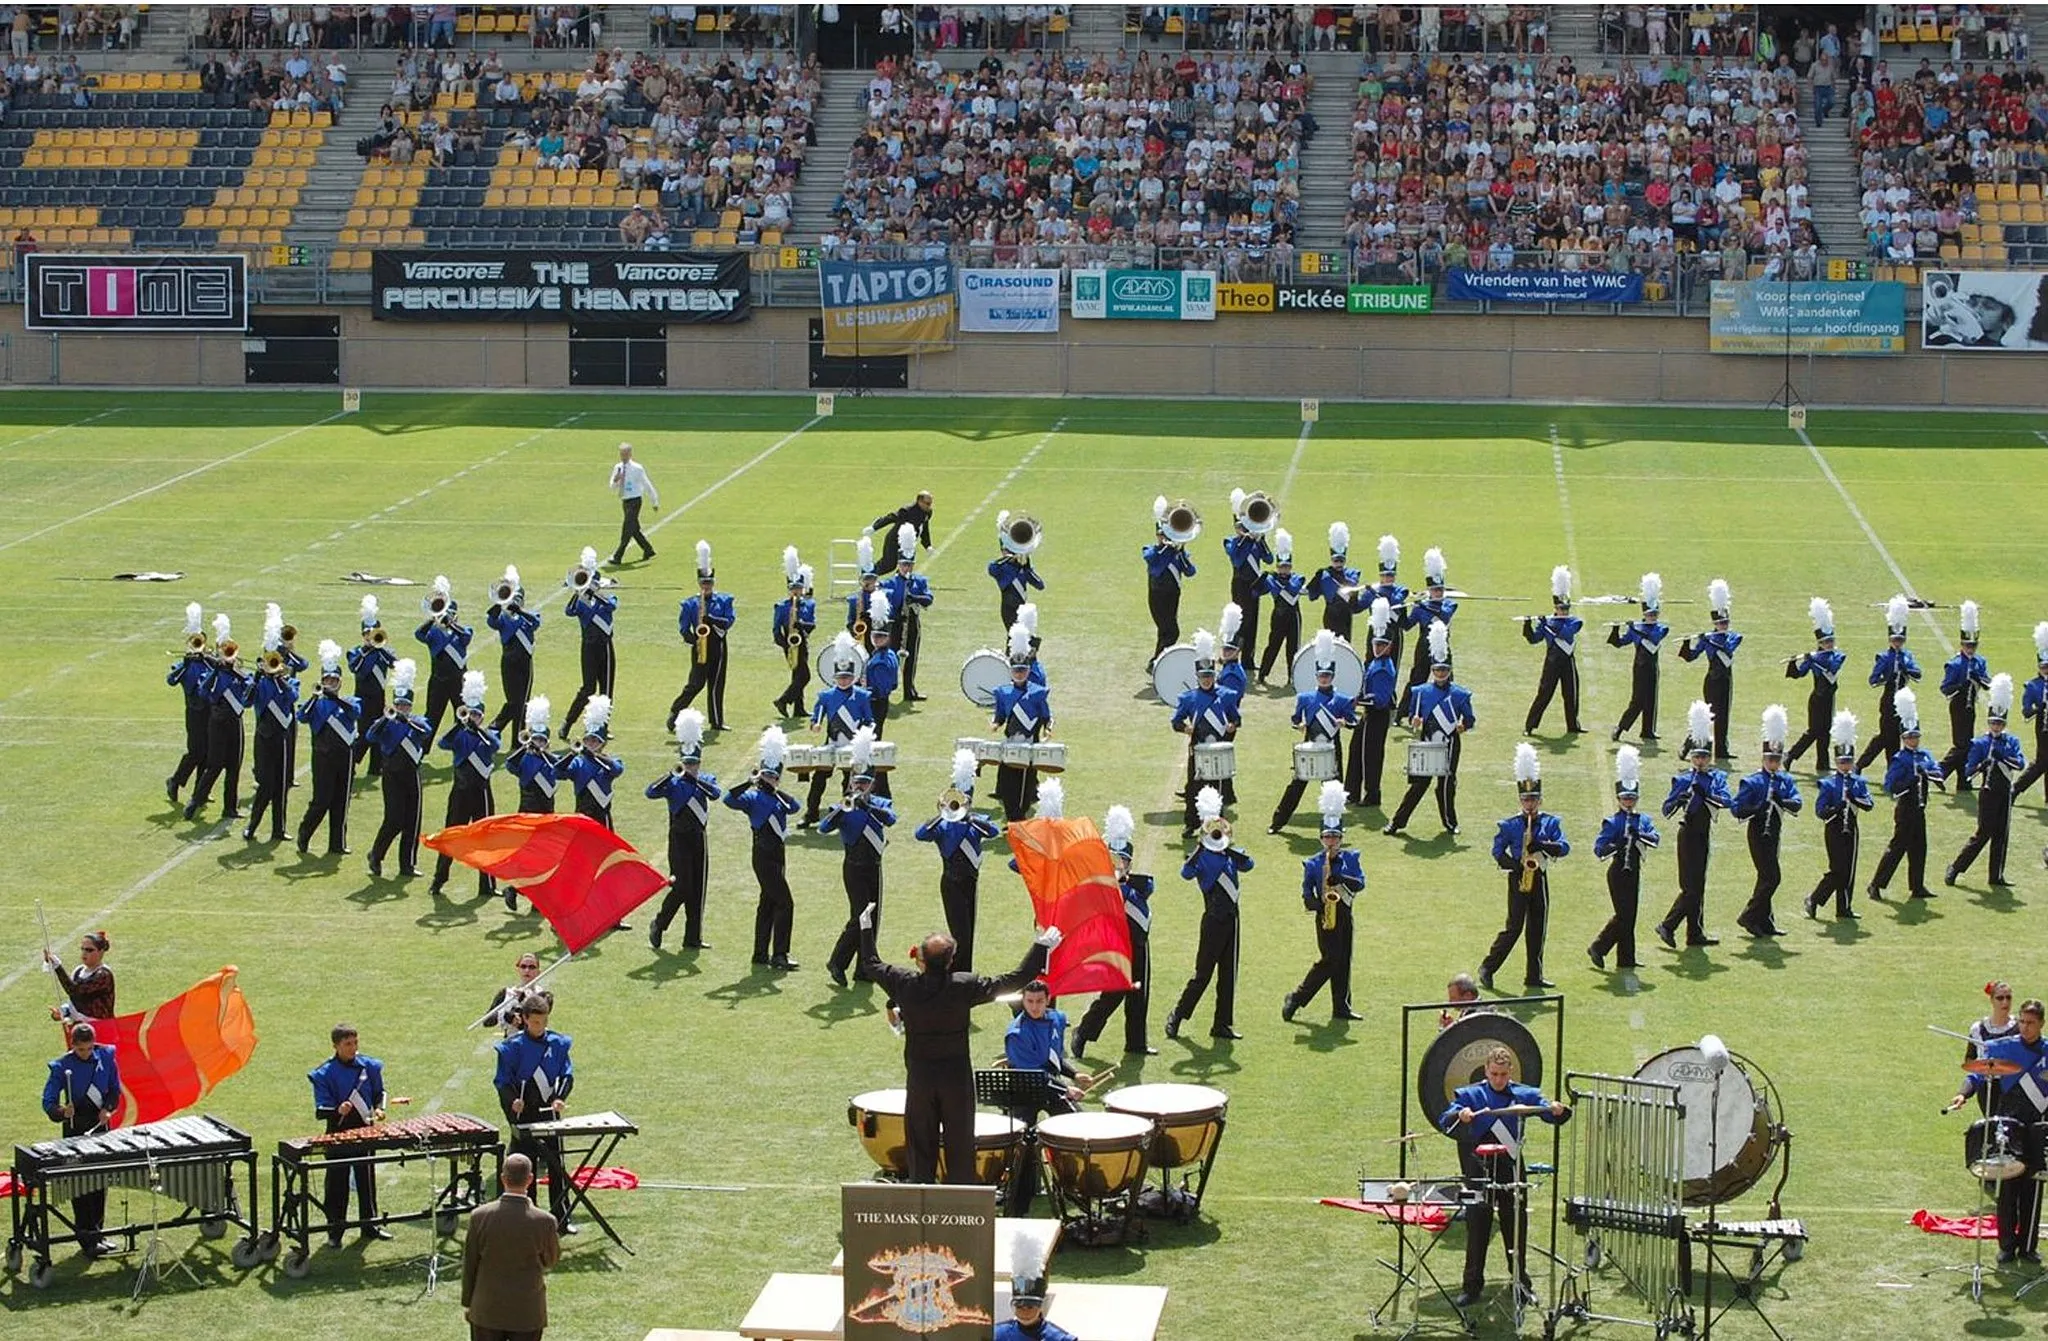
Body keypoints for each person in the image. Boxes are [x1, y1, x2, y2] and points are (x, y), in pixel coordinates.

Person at [857, 905, 1056, 1186]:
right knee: (960, 1146)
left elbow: (870, 963)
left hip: (921, 1078)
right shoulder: (964, 985)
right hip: (956, 1079)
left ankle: (920, 1195)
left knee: (920, 1145)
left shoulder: (904, 983)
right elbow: (1014, 980)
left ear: (921, 959)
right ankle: (960, 1200)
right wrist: (1040, 947)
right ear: (951, 962)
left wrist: (865, 928)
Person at [1439, 1045, 1570, 1308]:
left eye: (1503, 1074)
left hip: (1511, 1166)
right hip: (1478, 1167)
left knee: (1515, 1228)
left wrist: (1556, 1109)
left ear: (1510, 1072)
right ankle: (1472, 1287)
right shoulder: (1471, 1094)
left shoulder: (1523, 1094)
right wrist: (1461, 1113)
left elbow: (1551, 1112)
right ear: (1486, 1070)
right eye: (1494, 1073)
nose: (1499, 1079)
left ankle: (1522, 1286)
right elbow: (1445, 1119)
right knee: (1478, 1228)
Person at [1947, 998, 2048, 1266]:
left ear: (2041, 1024)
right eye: (2022, 1022)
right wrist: (1962, 1095)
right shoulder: (2003, 1048)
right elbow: (1976, 1075)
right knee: (2007, 1189)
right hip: (2008, 1124)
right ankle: (2006, 1246)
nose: (2025, 1028)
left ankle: (2028, 1247)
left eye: (2031, 1023)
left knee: (2033, 1189)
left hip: (2037, 1128)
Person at [1165, 786, 1254, 1041]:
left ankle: (1222, 1024)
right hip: (1213, 921)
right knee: (1203, 975)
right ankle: (1177, 1015)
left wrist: (1232, 848)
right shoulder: (1203, 858)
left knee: (1228, 975)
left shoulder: (1228, 855)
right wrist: (1199, 849)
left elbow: (1249, 865)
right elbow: (1185, 874)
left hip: (1233, 920)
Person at [1074, 805, 1157, 1059]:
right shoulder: (1105, 888)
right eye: (1113, 860)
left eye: (1122, 860)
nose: (1117, 864)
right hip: (1118, 948)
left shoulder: (1136, 884)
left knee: (1139, 995)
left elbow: (1147, 888)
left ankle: (1136, 1043)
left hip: (1140, 945)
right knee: (1113, 995)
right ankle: (1083, 1031)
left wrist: (1125, 878)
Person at [1482, 744, 1568, 990]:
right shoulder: (1510, 825)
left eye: (1533, 799)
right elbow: (1497, 851)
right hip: (1519, 879)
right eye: (1525, 799)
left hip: (1539, 877)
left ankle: (1534, 975)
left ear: (1540, 800)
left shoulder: (1550, 822)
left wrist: (1542, 845)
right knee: (1514, 928)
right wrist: (1515, 866)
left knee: (1537, 929)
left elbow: (1564, 847)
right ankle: (1488, 967)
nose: (1529, 804)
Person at [1283, 783, 1366, 1023]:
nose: (1331, 841)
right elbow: (1306, 894)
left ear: (1341, 838)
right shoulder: (1312, 864)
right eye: (1327, 837)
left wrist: (1341, 878)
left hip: (1345, 913)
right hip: (1325, 916)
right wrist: (1316, 904)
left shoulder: (1351, 858)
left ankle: (1341, 1006)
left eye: (1335, 837)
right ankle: (1296, 997)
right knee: (1330, 960)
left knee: (1344, 959)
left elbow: (1360, 884)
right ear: (1321, 838)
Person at [493, 993, 574, 1231]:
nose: (541, 1027)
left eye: (544, 1021)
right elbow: (502, 1081)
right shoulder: (512, 1048)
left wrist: (560, 1097)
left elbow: (567, 1073)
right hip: (524, 1114)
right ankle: (527, 1217)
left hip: (549, 1115)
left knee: (556, 1166)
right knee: (524, 1166)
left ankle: (561, 1217)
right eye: (536, 1022)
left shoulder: (557, 1043)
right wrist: (513, 1102)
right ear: (525, 1019)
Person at [1656, 703, 1734, 949]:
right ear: (1691, 757)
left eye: (1704, 756)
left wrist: (1706, 795)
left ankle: (1694, 932)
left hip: (1703, 833)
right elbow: (1666, 809)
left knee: (1698, 885)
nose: (1700, 760)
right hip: (1687, 833)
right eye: (1697, 756)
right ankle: (1668, 925)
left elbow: (1727, 801)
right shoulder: (1682, 779)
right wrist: (1680, 799)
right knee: (1690, 887)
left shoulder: (1716, 778)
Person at [914, 752, 1001, 974]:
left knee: (969, 931)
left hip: (970, 882)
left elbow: (994, 832)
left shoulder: (975, 823)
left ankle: (965, 972)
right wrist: (940, 813)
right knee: (959, 933)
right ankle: (957, 973)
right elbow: (920, 834)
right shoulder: (942, 826)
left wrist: (971, 815)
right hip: (951, 882)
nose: (958, 805)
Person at [1002, 979, 1083, 1214]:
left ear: (1048, 1000)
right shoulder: (1016, 1033)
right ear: (1023, 1001)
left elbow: (1052, 1058)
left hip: (1050, 1084)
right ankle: (1019, 1201)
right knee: (1023, 1143)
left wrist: (1075, 1074)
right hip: (1025, 1088)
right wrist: (1065, 1089)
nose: (1035, 1007)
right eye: (1030, 1001)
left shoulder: (1057, 1019)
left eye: (1039, 1001)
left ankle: (1071, 1184)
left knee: (1077, 1127)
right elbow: (1034, 1073)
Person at [308, 1023, 393, 1247]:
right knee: (337, 1182)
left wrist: (379, 1108)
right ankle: (335, 1231)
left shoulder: (369, 1067)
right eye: (348, 1044)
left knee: (366, 1178)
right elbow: (320, 1110)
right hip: (338, 1132)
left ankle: (370, 1225)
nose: (353, 1048)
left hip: (365, 1129)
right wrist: (338, 1109)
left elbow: (379, 1092)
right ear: (336, 1046)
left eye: (355, 1043)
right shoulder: (324, 1073)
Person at [822, 732, 896, 988]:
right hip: (853, 866)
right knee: (859, 917)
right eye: (858, 783)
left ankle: (865, 967)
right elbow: (823, 828)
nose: (861, 787)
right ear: (852, 782)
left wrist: (868, 806)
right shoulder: (844, 806)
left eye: (865, 784)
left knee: (873, 918)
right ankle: (837, 961)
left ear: (872, 784)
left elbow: (890, 819)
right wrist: (841, 809)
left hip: (874, 866)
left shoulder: (879, 803)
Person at [1385, 623, 1473, 837]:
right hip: (1427, 741)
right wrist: (1415, 722)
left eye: (1444, 670)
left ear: (1450, 670)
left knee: (1446, 783)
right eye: (1437, 670)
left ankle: (1450, 823)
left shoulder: (1460, 694)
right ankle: (1397, 822)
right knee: (1419, 784)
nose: (1441, 673)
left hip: (1450, 742)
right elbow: (1417, 717)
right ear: (1432, 670)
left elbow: (1469, 718)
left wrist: (1463, 726)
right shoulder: (1421, 691)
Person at [461, 1152, 561, 1341]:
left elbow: (470, 1264)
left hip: (486, 1309)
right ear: (530, 1179)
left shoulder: (479, 1216)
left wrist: (469, 1302)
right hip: (527, 1311)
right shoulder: (545, 1221)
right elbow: (550, 1260)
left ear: (502, 1178)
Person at [42, 1022, 120, 1258]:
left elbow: (114, 1090)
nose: (85, 1053)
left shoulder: (106, 1057)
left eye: (88, 1049)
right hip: (75, 1129)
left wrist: (108, 1108)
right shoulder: (61, 1067)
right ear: (72, 1045)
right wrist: (61, 1111)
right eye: (81, 1049)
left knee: (100, 1182)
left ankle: (98, 1232)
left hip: (100, 1126)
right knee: (81, 1184)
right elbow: (48, 1102)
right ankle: (86, 1238)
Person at [727, 728, 802, 970]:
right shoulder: (752, 797)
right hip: (763, 855)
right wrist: (749, 782)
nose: (770, 780)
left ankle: (760, 953)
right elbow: (729, 800)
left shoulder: (778, 798)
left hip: (778, 855)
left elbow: (795, 807)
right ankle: (780, 954)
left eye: (774, 777)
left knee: (768, 902)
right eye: (767, 776)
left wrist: (777, 790)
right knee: (785, 903)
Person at [646, 710, 720, 951]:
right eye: (687, 763)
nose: (690, 767)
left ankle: (693, 937)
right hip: (678, 839)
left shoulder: (706, 779)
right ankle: (660, 922)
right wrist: (671, 774)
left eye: (693, 763)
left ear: (699, 762)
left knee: (698, 888)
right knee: (682, 886)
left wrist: (695, 779)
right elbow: (650, 792)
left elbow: (716, 794)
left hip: (699, 838)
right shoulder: (673, 782)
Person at [1270, 630, 1357, 833]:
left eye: (1327, 676)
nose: (1324, 679)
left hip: (1332, 749)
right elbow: (1295, 720)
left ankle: (1335, 827)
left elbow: (1354, 722)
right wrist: (1299, 725)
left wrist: (1344, 722)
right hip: (1309, 748)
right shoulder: (1305, 698)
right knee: (1296, 786)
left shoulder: (1342, 700)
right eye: (1321, 675)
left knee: (1334, 791)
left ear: (1333, 676)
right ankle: (1277, 822)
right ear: (1316, 676)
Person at [1947, 674, 2026, 889]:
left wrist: (2003, 757)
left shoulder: (2011, 742)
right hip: (1988, 791)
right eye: (1993, 723)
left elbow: (2020, 764)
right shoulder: (1980, 743)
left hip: (2005, 792)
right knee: (1983, 834)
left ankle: (1996, 875)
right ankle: (1956, 867)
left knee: (2001, 835)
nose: (1996, 727)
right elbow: (1968, 771)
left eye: (2000, 723)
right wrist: (1981, 765)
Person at [1731, 706, 1802, 938]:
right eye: (1770, 759)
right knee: (1772, 877)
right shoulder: (1753, 781)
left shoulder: (1784, 780)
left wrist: (1782, 800)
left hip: (1775, 832)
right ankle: (1749, 916)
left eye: (1777, 759)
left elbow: (1797, 803)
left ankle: (1766, 921)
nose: (1774, 762)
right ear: (1763, 758)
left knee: (1766, 877)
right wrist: (1758, 807)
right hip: (1758, 832)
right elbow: (1737, 808)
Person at [432, 672, 500, 905]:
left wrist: (478, 729)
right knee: (452, 834)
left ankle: (487, 884)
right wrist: (459, 725)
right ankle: (439, 878)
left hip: (481, 791)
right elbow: (442, 743)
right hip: (460, 791)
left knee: (486, 838)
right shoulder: (458, 734)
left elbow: (495, 746)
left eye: (476, 714)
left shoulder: (489, 735)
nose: (472, 717)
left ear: (482, 716)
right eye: (469, 713)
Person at [1869, 689, 1943, 902]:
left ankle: (1917, 886)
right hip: (1905, 808)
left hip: (1920, 807)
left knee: (1920, 848)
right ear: (1903, 738)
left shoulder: (1925, 755)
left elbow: (1938, 771)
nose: (1913, 740)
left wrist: (1929, 773)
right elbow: (1890, 785)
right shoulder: (1899, 759)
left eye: (1916, 736)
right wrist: (1911, 780)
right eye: (1910, 737)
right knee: (1897, 848)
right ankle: (1876, 884)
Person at [1590, 747, 1658, 971]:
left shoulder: (1643, 820)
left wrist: (1640, 835)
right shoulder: (1612, 822)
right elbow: (1599, 848)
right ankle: (1599, 947)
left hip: (1634, 869)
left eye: (1632, 798)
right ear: (1619, 798)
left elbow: (1655, 838)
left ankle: (1626, 958)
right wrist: (1617, 845)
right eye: (1625, 798)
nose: (1629, 802)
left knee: (1631, 915)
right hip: (1618, 871)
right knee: (1623, 915)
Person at [365, 659, 431, 879]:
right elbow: (370, 736)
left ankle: (407, 864)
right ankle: (376, 854)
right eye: (399, 705)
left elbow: (426, 731)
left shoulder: (417, 721)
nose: (402, 709)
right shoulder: (386, 722)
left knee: (413, 821)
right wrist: (386, 718)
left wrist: (407, 720)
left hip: (412, 775)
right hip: (392, 776)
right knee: (393, 819)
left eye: (406, 705)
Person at [1806, 711, 1875, 920]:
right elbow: (1820, 810)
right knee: (1837, 869)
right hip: (1834, 827)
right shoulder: (1828, 783)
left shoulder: (1858, 782)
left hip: (1851, 827)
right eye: (1842, 762)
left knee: (1849, 870)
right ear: (1836, 762)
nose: (1845, 765)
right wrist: (1836, 808)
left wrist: (1853, 799)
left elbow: (1869, 803)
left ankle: (1843, 907)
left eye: (1848, 761)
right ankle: (1815, 898)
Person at [296, 641, 361, 857]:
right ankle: (305, 833)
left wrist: (337, 698)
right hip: (323, 757)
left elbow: (355, 712)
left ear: (340, 682)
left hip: (345, 756)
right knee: (322, 800)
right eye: (327, 680)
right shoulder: (316, 702)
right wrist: (316, 697)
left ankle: (337, 843)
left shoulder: (349, 701)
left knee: (341, 801)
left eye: (334, 680)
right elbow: (302, 716)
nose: (331, 683)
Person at [805, 633, 877, 826]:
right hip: (832, 742)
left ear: (853, 677)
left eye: (847, 677)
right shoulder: (826, 695)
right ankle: (811, 813)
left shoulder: (862, 696)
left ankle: (846, 813)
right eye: (840, 677)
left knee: (850, 780)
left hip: (852, 745)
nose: (843, 681)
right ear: (834, 677)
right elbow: (817, 715)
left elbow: (870, 720)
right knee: (819, 778)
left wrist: (864, 736)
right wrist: (816, 724)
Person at [185, 617, 251, 822]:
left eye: (230, 652)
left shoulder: (239, 672)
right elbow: (204, 691)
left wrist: (236, 671)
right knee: (214, 765)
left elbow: (249, 693)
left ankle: (230, 807)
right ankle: (195, 801)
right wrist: (216, 670)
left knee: (234, 767)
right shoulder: (214, 672)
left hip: (235, 722)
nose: (228, 656)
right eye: (225, 652)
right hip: (217, 722)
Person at [991, 621, 1054, 822]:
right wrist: (995, 723)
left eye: (1023, 670)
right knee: (1009, 784)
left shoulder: (1037, 692)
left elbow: (1046, 716)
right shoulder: (1002, 692)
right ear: (1011, 671)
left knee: (1026, 786)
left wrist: (1048, 729)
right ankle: (1013, 818)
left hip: (1030, 741)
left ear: (1028, 670)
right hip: (1010, 742)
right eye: (1016, 670)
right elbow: (1000, 715)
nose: (1019, 674)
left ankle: (1020, 816)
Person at [669, 541, 734, 732]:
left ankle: (717, 721)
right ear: (699, 583)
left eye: (710, 583)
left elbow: (729, 621)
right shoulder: (690, 604)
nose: (707, 586)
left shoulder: (724, 600)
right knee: (695, 684)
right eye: (704, 583)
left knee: (717, 684)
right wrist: (694, 639)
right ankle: (676, 711)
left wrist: (710, 619)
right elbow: (683, 629)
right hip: (700, 646)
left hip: (718, 644)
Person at [246, 618, 301, 844]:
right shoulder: (258, 682)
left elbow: (293, 697)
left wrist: (280, 679)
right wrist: (259, 676)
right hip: (265, 737)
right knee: (266, 785)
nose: (273, 664)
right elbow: (247, 701)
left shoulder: (288, 682)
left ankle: (279, 828)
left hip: (283, 738)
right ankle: (252, 826)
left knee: (281, 786)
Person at [1677, 580, 1741, 760]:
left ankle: (1721, 751)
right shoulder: (1706, 639)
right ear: (1715, 623)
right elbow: (1691, 656)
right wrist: (1687, 643)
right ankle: (1689, 743)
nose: (1724, 626)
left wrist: (1712, 640)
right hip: (1712, 681)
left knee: (1724, 716)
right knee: (1709, 717)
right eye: (1721, 623)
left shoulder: (1731, 636)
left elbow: (1730, 647)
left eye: (1726, 622)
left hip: (1726, 681)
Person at [1859, 596, 1921, 770]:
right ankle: (1861, 764)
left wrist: (1905, 668)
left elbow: (1918, 674)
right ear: (1889, 640)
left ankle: (1890, 768)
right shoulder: (1884, 657)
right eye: (1895, 640)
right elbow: (1873, 680)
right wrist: (1887, 676)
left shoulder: (1907, 656)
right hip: (1888, 699)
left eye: (1900, 640)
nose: (1897, 643)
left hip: (1903, 700)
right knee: (1886, 736)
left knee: (1894, 737)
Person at [560, 549, 617, 737]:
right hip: (589, 647)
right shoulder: (581, 601)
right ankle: (568, 722)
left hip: (606, 646)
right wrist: (579, 592)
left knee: (606, 690)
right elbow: (569, 611)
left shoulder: (605, 597)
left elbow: (612, 606)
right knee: (588, 689)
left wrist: (596, 593)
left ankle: (602, 727)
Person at [1521, 566, 1585, 735]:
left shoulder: (1573, 621)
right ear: (1555, 608)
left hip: (1568, 661)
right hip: (1552, 661)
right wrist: (1528, 625)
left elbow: (1566, 633)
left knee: (1571, 693)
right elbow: (1534, 639)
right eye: (1561, 609)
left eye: (1566, 609)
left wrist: (1548, 624)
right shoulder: (1548, 622)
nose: (1564, 611)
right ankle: (1530, 726)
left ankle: (1573, 725)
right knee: (1544, 693)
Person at [1349, 603, 1400, 808]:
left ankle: (1371, 794)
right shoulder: (1374, 663)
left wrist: (1357, 700)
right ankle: (1352, 791)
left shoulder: (1383, 668)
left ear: (1389, 647)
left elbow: (1379, 699)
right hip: (1370, 714)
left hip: (1376, 714)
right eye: (1376, 644)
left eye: (1382, 645)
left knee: (1369, 754)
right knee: (1357, 750)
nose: (1377, 648)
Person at [1784, 599, 1844, 769]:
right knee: (1815, 731)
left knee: (1826, 732)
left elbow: (1832, 670)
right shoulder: (1813, 658)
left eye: (1831, 641)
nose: (1829, 644)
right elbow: (1799, 674)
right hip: (1817, 699)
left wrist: (1815, 660)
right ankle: (1791, 755)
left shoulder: (1837, 656)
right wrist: (1792, 662)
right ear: (1819, 643)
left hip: (1829, 698)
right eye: (1825, 642)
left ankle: (1822, 764)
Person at [1608, 573, 1667, 743]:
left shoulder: (1659, 628)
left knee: (1652, 699)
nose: (1653, 618)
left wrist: (1635, 627)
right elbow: (1620, 643)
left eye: (1655, 614)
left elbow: (1655, 637)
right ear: (1644, 615)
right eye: (1650, 615)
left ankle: (1648, 730)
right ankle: (1621, 727)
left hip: (1653, 667)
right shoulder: (1636, 629)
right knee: (1638, 700)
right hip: (1640, 668)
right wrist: (1615, 629)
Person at [1937, 603, 1991, 787]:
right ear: (1961, 644)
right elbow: (1945, 688)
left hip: (1971, 706)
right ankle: (1939, 772)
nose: (1971, 648)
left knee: (1966, 743)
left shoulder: (1980, 661)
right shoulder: (1954, 664)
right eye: (1968, 645)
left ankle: (1963, 781)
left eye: (1973, 645)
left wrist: (1979, 679)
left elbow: (1987, 683)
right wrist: (1960, 686)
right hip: (1958, 705)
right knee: (1962, 746)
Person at [995, 1222, 1075, 1341]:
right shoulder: (997, 1334)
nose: (1024, 1312)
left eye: (1030, 1307)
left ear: (1040, 1306)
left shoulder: (1060, 1338)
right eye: (1019, 1306)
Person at [415, 576, 474, 737]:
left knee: (462, 716)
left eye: (451, 615)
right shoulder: (433, 633)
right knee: (432, 716)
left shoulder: (462, 631)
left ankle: (462, 749)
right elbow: (418, 634)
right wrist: (432, 619)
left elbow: (466, 637)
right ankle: (422, 751)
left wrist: (452, 624)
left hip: (459, 681)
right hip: (438, 681)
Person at [881, 523, 934, 701]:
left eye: (910, 564)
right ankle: (886, 689)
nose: (907, 568)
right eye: (904, 564)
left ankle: (909, 690)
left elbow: (929, 599)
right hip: (895, 623)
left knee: (911, 657)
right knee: (890, 658)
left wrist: (914, 598)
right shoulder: (889, 582)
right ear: (899, 563)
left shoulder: (919, 581)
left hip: (912, 622)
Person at [166, 602, 213, 802]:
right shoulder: (184, 664)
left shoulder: (209, 662)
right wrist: (185, 663)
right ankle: (175, 780)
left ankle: (200, 791)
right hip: (194, 711)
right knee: (196, 751)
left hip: (210, 711)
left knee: (209, 752)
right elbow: (171, 680)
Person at [485, 569, 540, 739]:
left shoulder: (529, 616)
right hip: (508, 663)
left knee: (523, 703)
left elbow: (536, 622)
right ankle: (494, 728)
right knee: (513, 702)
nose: (515, 602)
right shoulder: (503, 618)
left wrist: (521, 611)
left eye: (518, 599)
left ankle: (517, 739)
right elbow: (491, 621)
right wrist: (499, 601)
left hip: (525, 663)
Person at [1222, 491, 1273, 669]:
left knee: (1253, 622)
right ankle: (1232, 654)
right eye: (1241, 527)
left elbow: (1269, 559)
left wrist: (1260, 541)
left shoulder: (1256, 542)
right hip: (1240, 584)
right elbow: (1237, 559)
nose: (1244, 530)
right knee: (1242, 621)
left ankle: (1248, 659)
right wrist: (1247, 540)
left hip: (1255, 584)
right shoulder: (1231, 542)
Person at [1142, 498, 1198, 659]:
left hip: (1173, 594)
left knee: (1165, 631)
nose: (1163, 537)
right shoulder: (1151, 549)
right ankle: (1160, 659)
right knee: (1171, 631)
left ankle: (1158, 660)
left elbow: (1191, 572)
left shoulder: (1178, 553)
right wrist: (1166, 547)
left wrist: (1180, 552)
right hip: (1157, 594)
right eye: (1160, 535)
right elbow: (1153, 561)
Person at [348, 597, 395, 778]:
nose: (370, 636)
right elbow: (356, 668)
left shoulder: (384, 652)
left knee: (379, 729)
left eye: (374, 632)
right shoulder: (356, 652)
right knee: (365, 733)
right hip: (363, 697)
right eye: (367, 633)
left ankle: (376, 767)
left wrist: (379, 647)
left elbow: (394, 663)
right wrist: (367, 649)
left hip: (379, 696)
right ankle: (352, 761)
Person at [1962, 981, 2020, 1117]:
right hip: (1987, 1088)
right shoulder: (1978, 1029)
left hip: (2014, 1087)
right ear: (1992, 1000)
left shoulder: (2020, 1027)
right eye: (2000, 998)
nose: (2005, 1002)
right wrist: (1963, 1093)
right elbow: (1971, 1061)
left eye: (2008, 997)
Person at [563, 697, 622, 830]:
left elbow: (617, 769)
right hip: (582, 814)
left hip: (602, 815)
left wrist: (595, 756)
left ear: (603, 743)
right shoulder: (578, 762)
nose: (590, 744)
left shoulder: (609, 761)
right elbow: (558, 772)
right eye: (588, 740)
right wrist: (571, 754)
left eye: (595, 741)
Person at [770, 549, 816, 720]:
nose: (796, 591)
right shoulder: (781, 606)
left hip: (802, 639)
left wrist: (801, 624)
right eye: (793, 588)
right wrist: (784, 643)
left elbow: (812, 625)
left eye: (798, 588)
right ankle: (783, 700)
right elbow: (776, 628)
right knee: (804, 675)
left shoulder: (808, 605)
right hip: (789, 641)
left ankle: (799, 708)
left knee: (798, 675)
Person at [1255, 528, 1305, 685]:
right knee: (1273, 645)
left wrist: (1274, 581)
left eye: (1287, 566)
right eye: (1281, 566)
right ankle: (1263, 673)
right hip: (1278, 615)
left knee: (1293, 647)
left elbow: (1292, 589)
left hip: (1293, 615)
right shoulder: (1271, 578)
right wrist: (1260, 579)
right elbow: (1255, 593)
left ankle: (1293, 675)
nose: (1284, 569)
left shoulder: (1297, 577)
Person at [1404, 548, 1457, 691]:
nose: (1438, 592)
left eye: (1440, 589)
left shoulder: (1449, 604)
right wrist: (1403, 608)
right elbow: (1406, 626)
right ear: (1429, 591)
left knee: (1447, 680)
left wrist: (1424, 605)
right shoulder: (1420, 607)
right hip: (1423, 646)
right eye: (1435, 590)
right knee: (1417, 679)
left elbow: (1443, 615)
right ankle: (1404, 711)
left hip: (1441, 645)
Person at [507, 697, 564, 816]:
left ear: (547, 743)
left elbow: (562, 768)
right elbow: (510, 765)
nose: (538, 742)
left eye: (541, 740)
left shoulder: (552, 759)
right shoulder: (524, 758)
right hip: (526, 811)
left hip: (546, 811)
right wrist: (524, 747)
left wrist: (544, 753)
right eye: (535, 739)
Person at [43, 930, 115, 1025]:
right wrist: (62, 1012)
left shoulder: (103, 975)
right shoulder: (78, 971)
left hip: (101, 1030)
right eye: (83, 949)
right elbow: (74, 1002)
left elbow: (75, 992)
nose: (84, 953)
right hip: (80, 1030)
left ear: (101, 952)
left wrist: (58, 967)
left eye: (89, 950)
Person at [987, 518, 1045, 635]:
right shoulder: (1002, 569)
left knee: (1028, 640)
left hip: (1022, 610)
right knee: (1014, 637)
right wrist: (1008, 558)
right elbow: (991, 569)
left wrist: (1027, 568)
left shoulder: (1023, 568)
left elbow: (1040, 585)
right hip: (1009, 609)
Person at [1306, 522, 1363, 640]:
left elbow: (1352, 586)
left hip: (1345, 614)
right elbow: (1312, 595)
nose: (1338, 564)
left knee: (1345, 644)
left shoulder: (1352, 573)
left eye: (1341, 561)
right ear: (1331, 560)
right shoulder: (1323, 574)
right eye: (1336, 561)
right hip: (1330, 614)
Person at [606, 442, 659, 565]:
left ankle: (618, 555)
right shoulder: (618, 468)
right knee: (634, 528)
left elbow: (647, 484)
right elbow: (612, 487)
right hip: (625, 501)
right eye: (621, 454)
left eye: (625, 454)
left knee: (627, 529)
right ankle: (648, 549)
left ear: (630, 454)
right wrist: (616, 479)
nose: (623, 456)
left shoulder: (637, 468)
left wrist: (654, 500)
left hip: (635, 500)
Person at [2015, 624, 2048, 803]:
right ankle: (2016, 788)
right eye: (2044, 667)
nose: (2046, 670)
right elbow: (2026, 711)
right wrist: (2039, 708)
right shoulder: (2033, 685)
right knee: (2042, 761)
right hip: (2043, 724)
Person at [483, 953, 549, 1039]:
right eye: (523, 966)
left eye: (532, 967)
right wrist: (505, 1015)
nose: (527, 970)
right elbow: (487, 1022)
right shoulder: (506, 993)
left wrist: (524, 999)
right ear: (518, 969)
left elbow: (536, 1020)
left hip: (536, 1044)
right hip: (512, 1044)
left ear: (538, 972)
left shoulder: (543, 995)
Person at [871, 490, 933, 571]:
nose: (929, 506)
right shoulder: (907, 510)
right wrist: (874, 527)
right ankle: (868, 576)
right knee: (888, 565)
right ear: (919, 501)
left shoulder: (928, 512)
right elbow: (892, 517)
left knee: (906, 566)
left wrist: (927, 545)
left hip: (909, 542)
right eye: (927, 503)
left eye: (931, 504)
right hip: (894, 540)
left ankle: (901, 583)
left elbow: (924, 528)